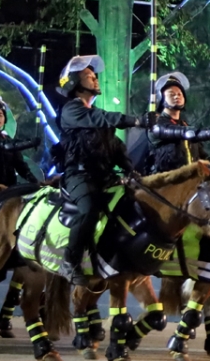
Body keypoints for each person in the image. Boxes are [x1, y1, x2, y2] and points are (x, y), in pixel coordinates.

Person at [56, 55, 151, 286]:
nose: (95, 79)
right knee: (88, 209)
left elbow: (116, 146)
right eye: (89, 76)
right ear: (74, 84)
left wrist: (130, 170)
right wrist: (137, 121)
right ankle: (70, 261)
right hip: (79, 176)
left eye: (94, 75)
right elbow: (102, 118)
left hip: (106, 177)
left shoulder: (96, 114)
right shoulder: (73, 111)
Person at [142, 73, 210, 175]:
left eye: (180, 94)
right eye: (171, 94)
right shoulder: (156, 125)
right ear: (161, 99)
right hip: (165, 181)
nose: (177, 96)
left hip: (189, 180)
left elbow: (201, 155)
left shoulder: (184, 124)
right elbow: (187, 134)